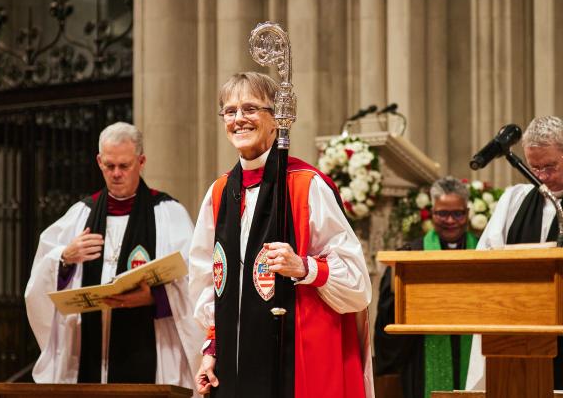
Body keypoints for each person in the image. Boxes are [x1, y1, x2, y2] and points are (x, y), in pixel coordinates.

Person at [188, 72, 374, 398]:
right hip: (236, 364)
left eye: (250, 108)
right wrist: (211, 351)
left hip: (299, 358)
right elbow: (210, 285)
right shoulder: (219, 194)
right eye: (230, 111)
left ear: (276, 119)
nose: (238, 119)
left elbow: (357, 284)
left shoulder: (306, 186)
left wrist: (304, 267)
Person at [25, 122, 202, 393]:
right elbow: (39, 282)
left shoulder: (168, 213)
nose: (116, 174)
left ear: (141, 162)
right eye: (109, 166)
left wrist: (156, 298)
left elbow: (195, 281)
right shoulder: (81, 214)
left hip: (148, 347)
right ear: (99, 161)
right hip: (90, 353)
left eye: (124, 166)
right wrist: (65, 258)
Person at [466, 115, 563, 390]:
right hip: (522, 331)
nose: (541, 176)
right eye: (534, 167)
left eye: (550, 166)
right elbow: (486, 259)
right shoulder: (515, 200)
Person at [374, 177, 478, 398]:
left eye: (457, 213)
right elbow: (388, 315)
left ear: (467, 213)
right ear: (432, 212)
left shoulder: (485, 251)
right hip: (423, 353)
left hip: (475, 348)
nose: (450, 220)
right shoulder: (410, 255)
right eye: (442, 213)